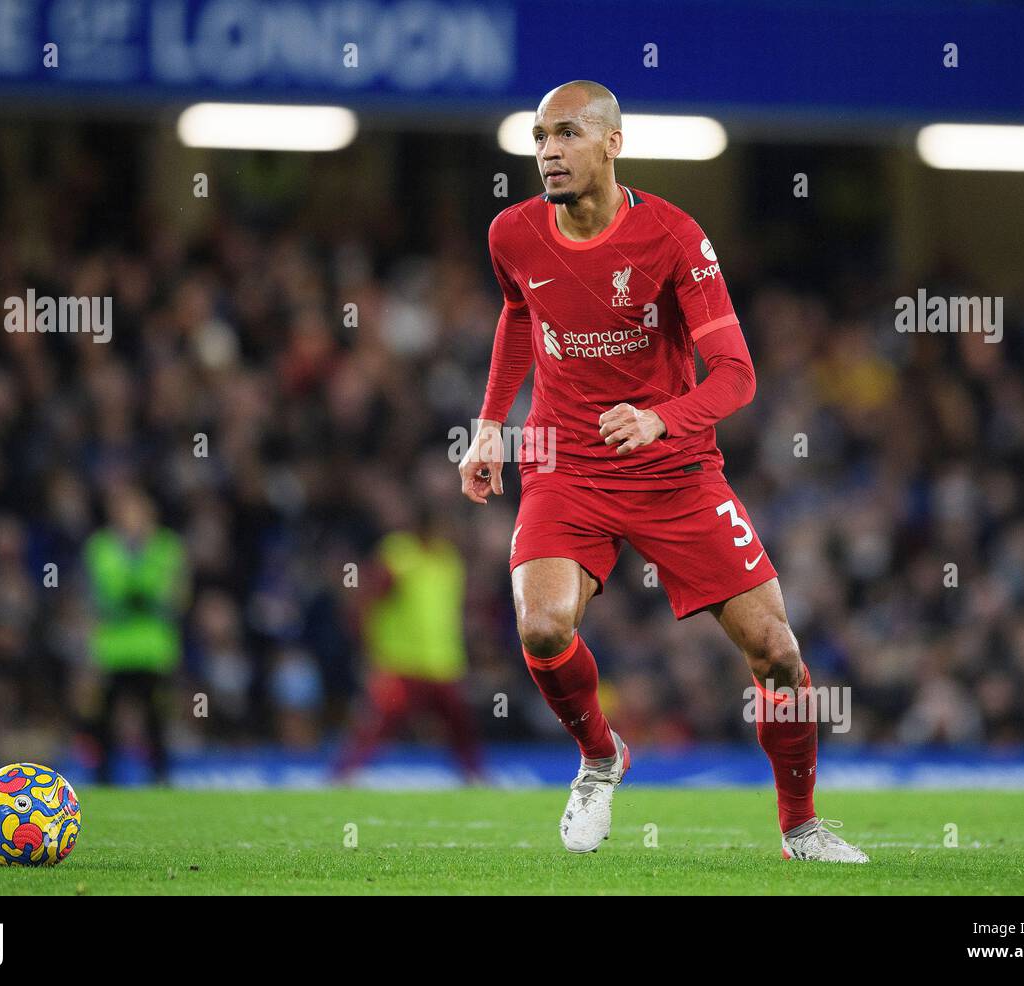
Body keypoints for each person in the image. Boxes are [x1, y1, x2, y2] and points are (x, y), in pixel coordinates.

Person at [459, 80, 867, 862]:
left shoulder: (675, 237)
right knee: (542, 627)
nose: (548, 151)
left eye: (568, 134)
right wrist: (488, 428)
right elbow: (520, 314)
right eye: (540, 137)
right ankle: (601, 756)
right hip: (564, 464)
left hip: (674, 470)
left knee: (777, 653)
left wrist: (659, 418)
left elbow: (736, 374)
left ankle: (801, 826)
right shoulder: (512, 234)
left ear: (613, 142)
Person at [333, 509, 483, 781]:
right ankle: (344, 775)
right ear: (428, 527)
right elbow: (368, 599)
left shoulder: (450, 561)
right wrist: (368, 647)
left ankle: (475, 777)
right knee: (378, 725)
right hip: (400, 660)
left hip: (443, 661)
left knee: (461, 726)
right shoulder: (399, 555)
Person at [83, 484, 188, 784]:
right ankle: (102, 775)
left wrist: (134, 595)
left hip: (154, 648)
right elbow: (103, 592)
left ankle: (160, 774)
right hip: (113, 648)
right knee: (104, 715)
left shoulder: (167, 545)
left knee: (156, 717)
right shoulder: (100, 546)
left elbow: (173, 594)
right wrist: (141, 594)